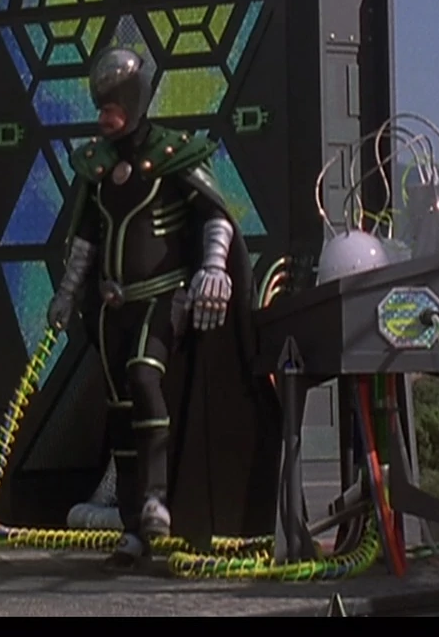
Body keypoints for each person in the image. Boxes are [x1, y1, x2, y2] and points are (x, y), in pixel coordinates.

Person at [44, 46, 282, 569]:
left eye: (114, 105)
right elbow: (85, 237)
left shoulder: (173, 153)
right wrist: (66, 292)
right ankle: (134, 526)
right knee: (119, 410)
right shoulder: (97, 166)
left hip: (162, 297)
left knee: (145, 377)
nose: (106, 115)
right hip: (111, 306)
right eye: (102, 105)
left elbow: (215, 215)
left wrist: (214, 268)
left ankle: (156, 499)